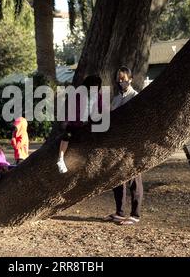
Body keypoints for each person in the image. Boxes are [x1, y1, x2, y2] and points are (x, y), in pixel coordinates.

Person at [103, 66, 143, 225]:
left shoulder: (135, 97)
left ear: (130, 79)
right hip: (116, 144)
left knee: (134, 179)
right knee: (117, 179)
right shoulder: (116, 98)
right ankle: (119, 212)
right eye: (119, 79)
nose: (121, 82)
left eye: (124, 79)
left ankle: (135, 214)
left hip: (131, 145)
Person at [57, 75, 102, 173]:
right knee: (67, 136)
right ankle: (60, 158)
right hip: (75, 123)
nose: (94, 88)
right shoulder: (79, 95)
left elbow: (100, 108)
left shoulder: (98, 97)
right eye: (92, 86)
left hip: (88, 124)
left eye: (97, 86)